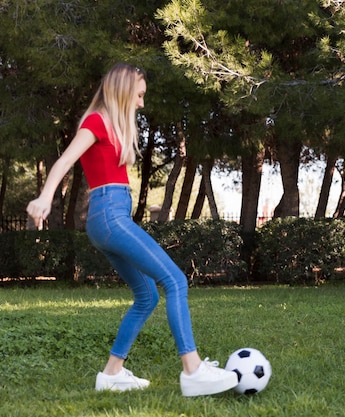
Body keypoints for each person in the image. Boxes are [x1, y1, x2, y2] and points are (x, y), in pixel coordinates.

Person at [26, 63, 238, 396]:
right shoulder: (96, 121)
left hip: (109, 217)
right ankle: (193, 370)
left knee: (147, 295)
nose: (141, 103)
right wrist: (45, 196)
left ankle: (111, 374)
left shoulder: (112, 126)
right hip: (109, 215)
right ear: (123, 91)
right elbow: (65, 161)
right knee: (175, 280)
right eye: (139, 95)